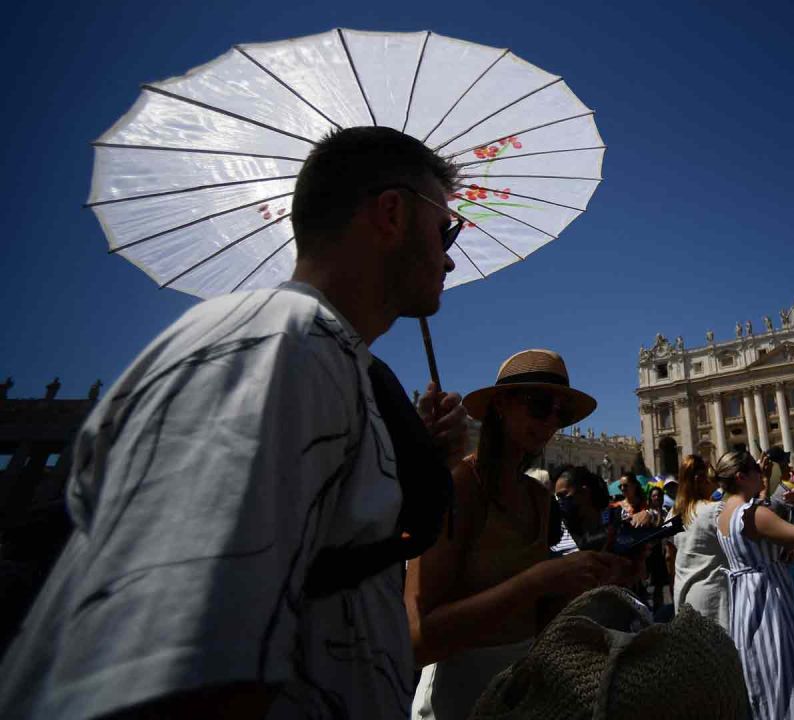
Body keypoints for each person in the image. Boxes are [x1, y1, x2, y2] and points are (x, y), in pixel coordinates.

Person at [0, 127, 470, 718]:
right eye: (445, 228)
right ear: (392, 214)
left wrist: (423, 461)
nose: (450, 253)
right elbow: (171, 664)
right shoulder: (280, 345)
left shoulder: (326, 359)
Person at [406, 349, 635, 719]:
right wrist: (538, 579)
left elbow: (537, 620)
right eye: (540, 405)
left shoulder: (538, 497)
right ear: (500, 405)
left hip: (522, 697)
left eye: (562, 413)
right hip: (461, 700)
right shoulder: (460, 488)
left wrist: (590, 582)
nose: (550, 423)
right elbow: (417, 640)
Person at [714, 450, 794, 719]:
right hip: (768, 604)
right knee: (784, 682)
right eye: (756, 470)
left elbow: (755, 545)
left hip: (744, 605)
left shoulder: (724, 513)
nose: (763, 476)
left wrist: (776, 552)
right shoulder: (754, 515)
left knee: (760, 682)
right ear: (741, 476)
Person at [670, 454, 730, 629]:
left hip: (683, 593)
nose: (716, 481)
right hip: (713, 594)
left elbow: (670, 557)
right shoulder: (715, 510)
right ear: (701, 478)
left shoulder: (672, 514)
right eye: (713, 476)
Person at [646, 484, 672, 609]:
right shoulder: (649, 514)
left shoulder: (667, 511)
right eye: (654, 496)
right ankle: (655, 607)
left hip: (666, 548)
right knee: (654, 582)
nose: (657, 498)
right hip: (654, 551)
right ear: (650, 498)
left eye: (659, 495)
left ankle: (665, 605)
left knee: (663, 581)